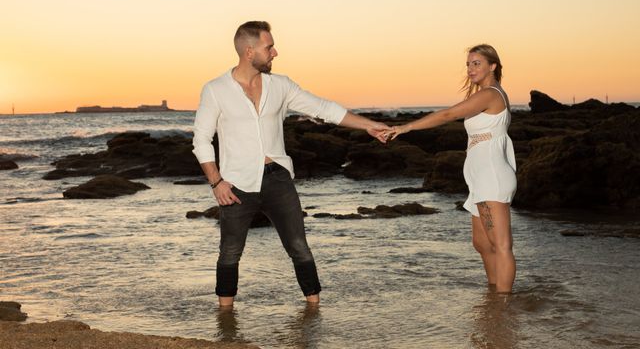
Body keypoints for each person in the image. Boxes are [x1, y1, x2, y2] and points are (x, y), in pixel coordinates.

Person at [192, 21, 389, 307]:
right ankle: (224, 323)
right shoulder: (215, 89)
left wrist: (368, 125)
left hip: (278, 180)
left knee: (299, 247)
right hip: (236, 185)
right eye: (269, 47)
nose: (275, 52)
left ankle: (314, 312)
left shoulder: (280, 85)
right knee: (230, 252)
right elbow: (201, 140)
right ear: (249, 51)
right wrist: (216, 182)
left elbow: (324, 108)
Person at [385, 44, 517, 293]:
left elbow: (448, 115)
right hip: (480, 178)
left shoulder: (490, 94)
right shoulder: (484, 94)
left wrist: (405, 128)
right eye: (468, 64)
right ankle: (493, 293)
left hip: (492, 176)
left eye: (476, 63)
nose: (470, 68)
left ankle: (503, 303)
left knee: (501, 245)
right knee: (481, 243)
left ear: (493, 66)